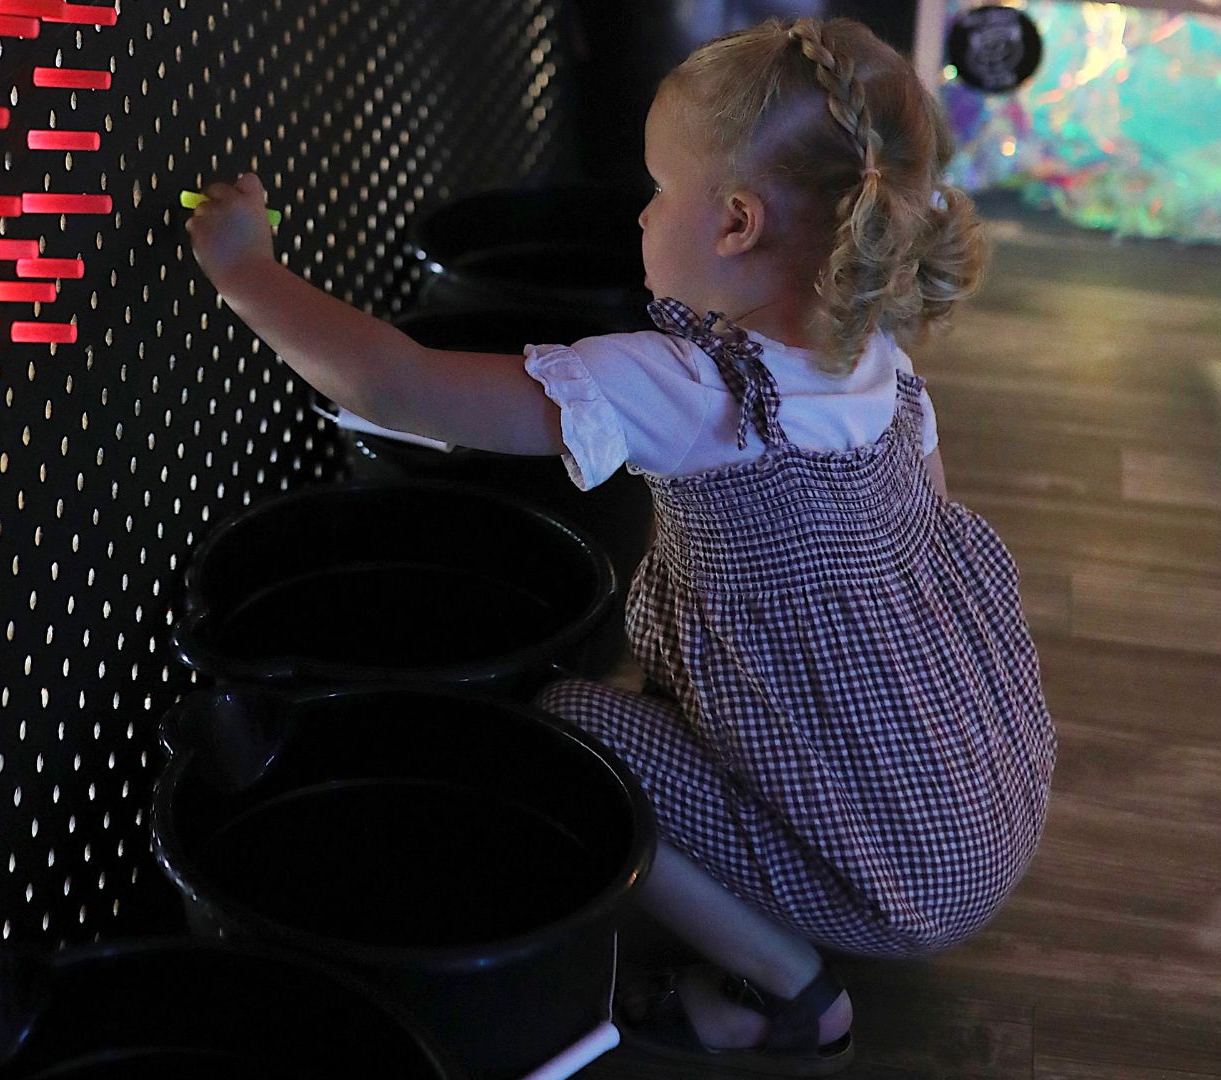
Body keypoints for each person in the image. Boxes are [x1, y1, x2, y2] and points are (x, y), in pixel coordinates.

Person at [183, 15, 1055, 1076]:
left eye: (656, 191)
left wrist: (247, 274)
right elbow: (911, 576)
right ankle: (809, 894)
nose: (641, 215)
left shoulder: (690, 388)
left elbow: (398, 386)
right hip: (975, 811)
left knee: (570, 726)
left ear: (735, 223)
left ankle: (792, 995)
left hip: (894, 872)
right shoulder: (878, 364)